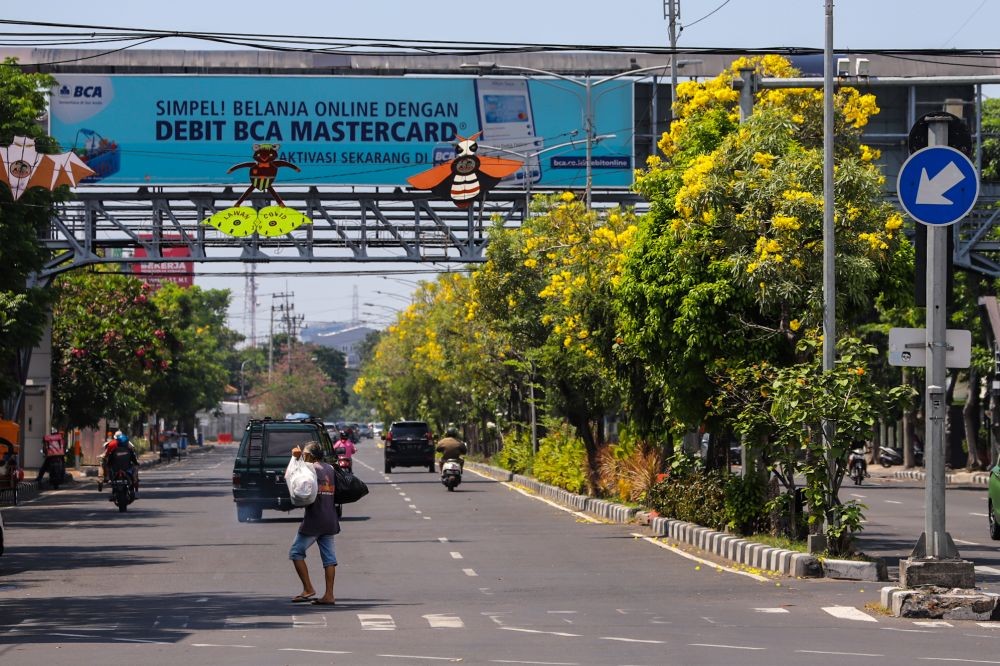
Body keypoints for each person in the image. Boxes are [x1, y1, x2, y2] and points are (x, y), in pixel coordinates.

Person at [288, 441, 339, 605]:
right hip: (330, 518)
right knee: (329, 559)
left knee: (296, 552)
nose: (303, 455)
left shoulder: (310, 468)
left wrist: (295, 459)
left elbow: (294, 475)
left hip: (315, 519)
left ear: (310, 455)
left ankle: (308, 588)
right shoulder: (330, 469)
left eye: (305, 453)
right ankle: (329, 595)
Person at [104, 431, 139, 497]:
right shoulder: (129, 450)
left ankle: (108, 478)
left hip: (116, 470)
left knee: (109, 469)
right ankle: (134, 483)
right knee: (135, 467)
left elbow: (109, 462)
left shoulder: (114, 450)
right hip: (127, 470)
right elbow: (135, 461)